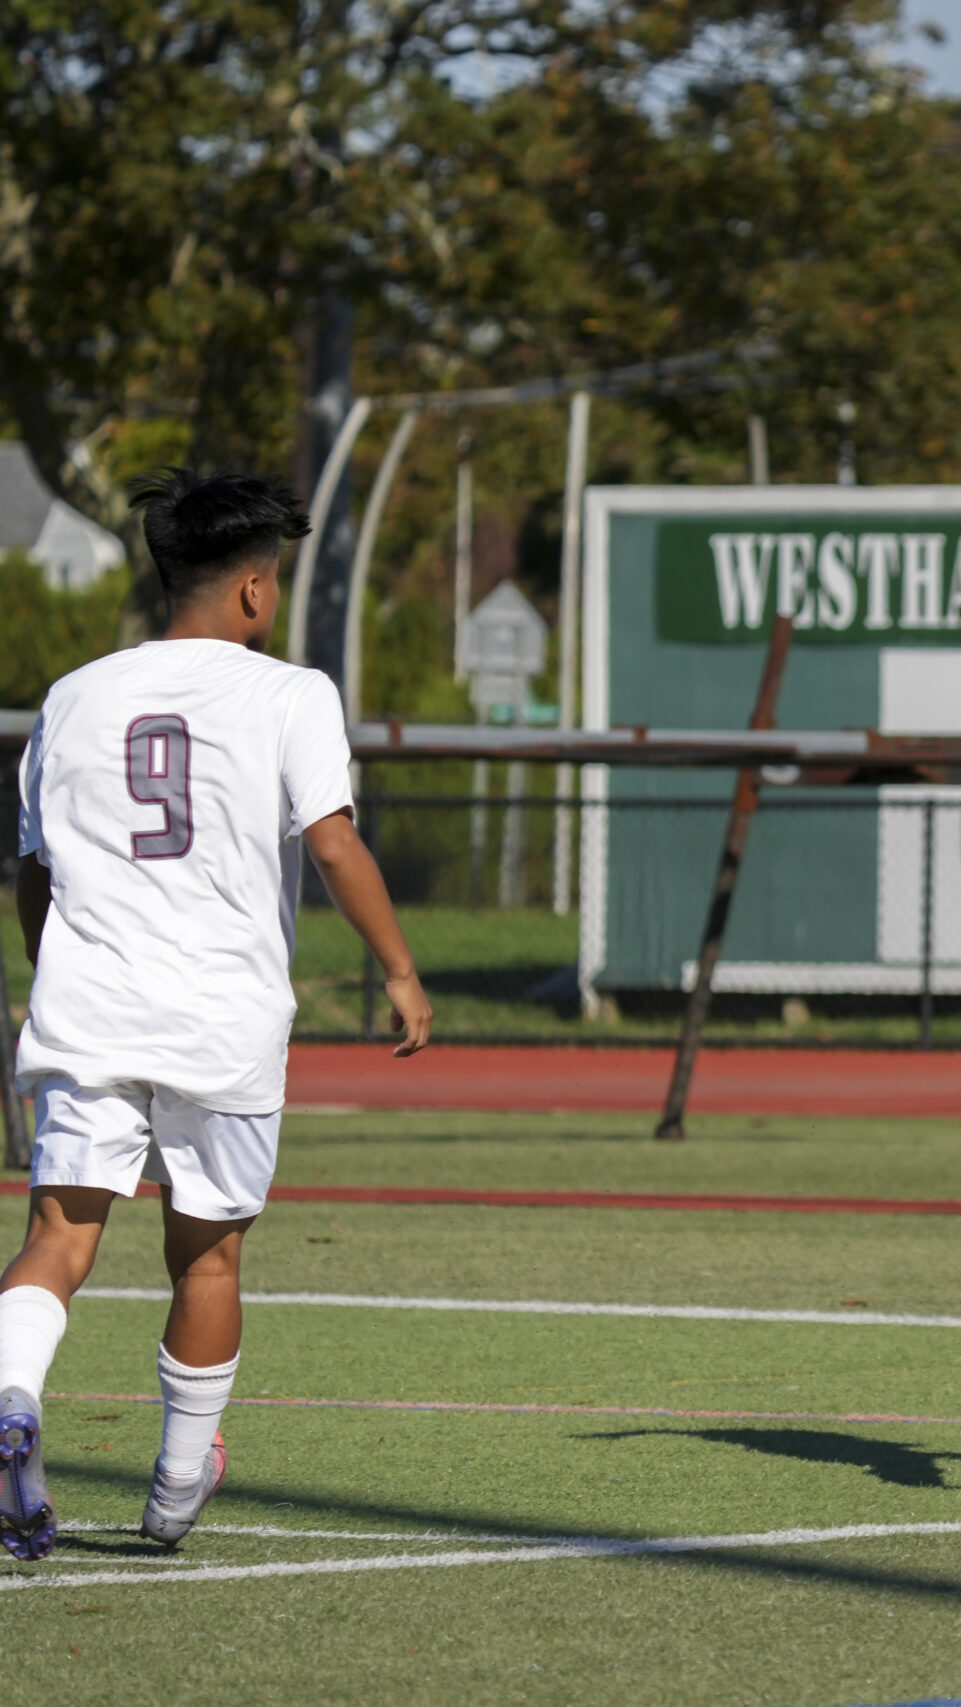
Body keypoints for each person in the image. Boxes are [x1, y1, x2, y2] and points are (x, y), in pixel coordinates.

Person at [0, 469, 432, 1559]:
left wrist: (54, 971)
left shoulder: (73, 695)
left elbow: (33, 873)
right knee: (207, 1258)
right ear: (251, 591)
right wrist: (398, 969)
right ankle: (178, 1484)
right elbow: (332, 843)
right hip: (221, 1021)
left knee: (56, 1237)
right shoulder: (292, 694)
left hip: (88, 1005)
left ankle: (11, 1400)